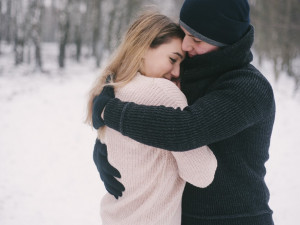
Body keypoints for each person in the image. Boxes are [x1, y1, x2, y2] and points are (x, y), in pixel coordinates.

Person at [91, 0, 276, 225]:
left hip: (235, 218)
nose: (186, 45)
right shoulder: (189, 67)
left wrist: (110, 113)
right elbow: (145, 91)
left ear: (226, 42)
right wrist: (105, 145)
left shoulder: (248, 88)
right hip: (180, 216)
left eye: (197, 39)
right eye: (185, 32)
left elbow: (185, 129)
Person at [86, 11, 217, 225]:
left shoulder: (111, 88)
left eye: (181, 66)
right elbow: (202, 175)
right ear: (144, 47)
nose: (176, 73)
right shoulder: (163, 92)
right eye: (173, 59)